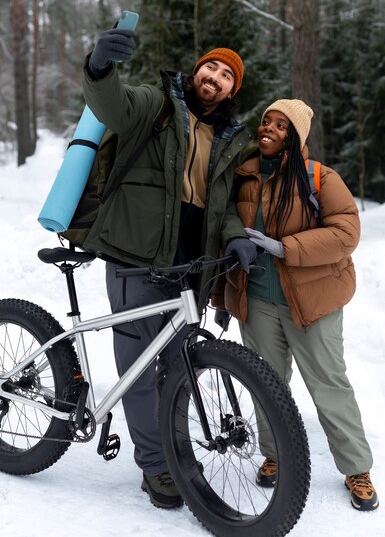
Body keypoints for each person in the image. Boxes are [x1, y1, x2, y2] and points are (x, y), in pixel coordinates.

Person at [81, 25, 257, 510]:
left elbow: (219, 208)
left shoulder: (227, 139)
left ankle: (172, 453)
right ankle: (157, 467)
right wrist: (100, 66)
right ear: (196, 69)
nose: (216, 78)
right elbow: (113, 104)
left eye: (227, 76)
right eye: (211, 67)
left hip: (187, 268)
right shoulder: (157, 105)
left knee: (177, 368)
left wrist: (237, 238)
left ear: (230, 92)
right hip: (135, 255)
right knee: (138, 370)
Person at [213, 98, 379, 512]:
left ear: (296, 137)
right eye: (266, 121)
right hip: (257, 301)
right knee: (266, 385)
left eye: (281, 126)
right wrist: (222, 297)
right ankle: (275, 453)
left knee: (328, 385)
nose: (269, 129)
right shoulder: (244, 177)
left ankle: (356, 467)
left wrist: (285, 247)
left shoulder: (319, 178)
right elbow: (222, 235)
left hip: (313, 303)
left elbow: (346, 233)